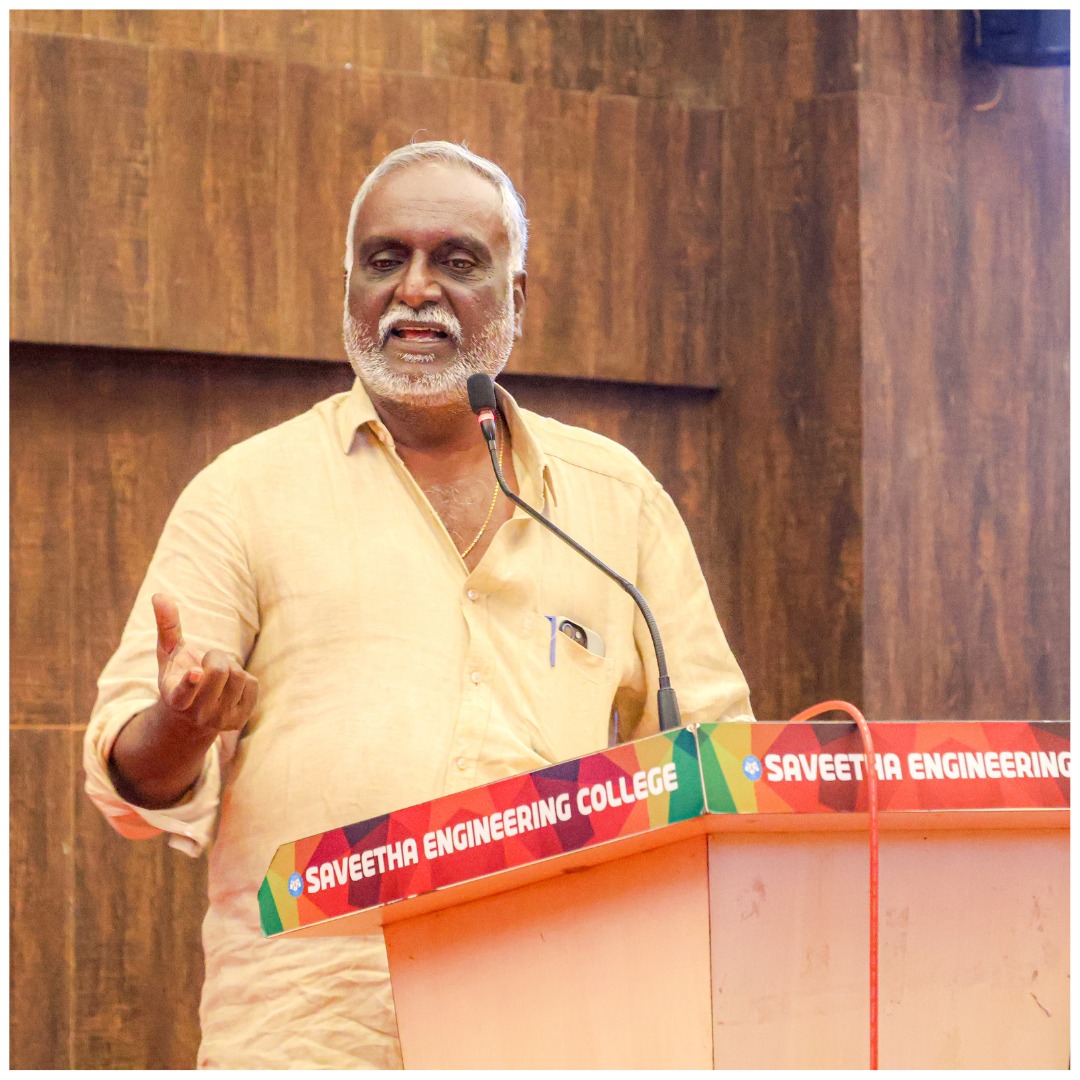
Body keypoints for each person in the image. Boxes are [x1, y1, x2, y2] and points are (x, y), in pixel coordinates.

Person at [83, 141, 753, 1069]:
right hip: (318, 1033)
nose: (416, 289)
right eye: (385, 259)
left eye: (458, 261)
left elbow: (717, 761)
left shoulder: (616, 500)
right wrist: (182, 724)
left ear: (518, 299)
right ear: (349, 289)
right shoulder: (245, 493)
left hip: (562, 1021)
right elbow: (128, 783)